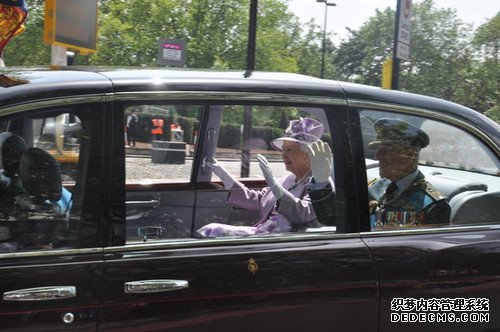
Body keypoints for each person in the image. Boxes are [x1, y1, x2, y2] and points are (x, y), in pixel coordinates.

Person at [196, 118, 335, 237]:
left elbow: (304, 213)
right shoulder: (287, 180)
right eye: (283, 150)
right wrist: (222, 173)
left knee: (212, 231)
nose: (283, 154)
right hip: (263, 236)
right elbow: (256, 199)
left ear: (307, 155)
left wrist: (276, 187)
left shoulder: (320, 183)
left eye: (289, 150)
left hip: (287, 244)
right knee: (210, 231)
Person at [367, 118, 451, 229]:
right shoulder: (374, 187)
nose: (377, 156)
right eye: (378, 150)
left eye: (386, 151)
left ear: (409, 156)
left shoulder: (433, 206)